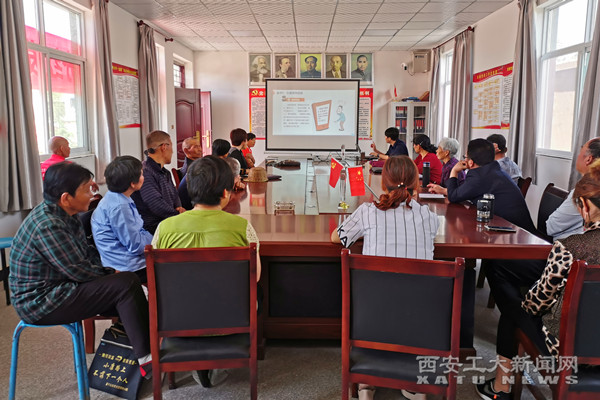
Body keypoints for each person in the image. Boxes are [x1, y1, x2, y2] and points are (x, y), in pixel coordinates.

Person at [9, 162, 152, 378]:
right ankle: (147, 359)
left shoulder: (66, 214)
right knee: (126, 284)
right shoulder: (48, 225)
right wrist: (111, 273)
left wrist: (109, 271)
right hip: (41, 303)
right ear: (66, 197)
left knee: (129, 289)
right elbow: (78, 270)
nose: (92, 194)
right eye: (87, 190)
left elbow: (86, 253)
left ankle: (145, 350)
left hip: (62, 286)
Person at [476, 159, 600, 400]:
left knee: (513, 308)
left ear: (584, 205)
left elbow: (536, 304)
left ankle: (501, 387)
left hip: (569, 347)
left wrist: (528, 296)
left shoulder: (570, 248)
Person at [331, 156, 439, 400]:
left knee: (376, 296)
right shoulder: (428, 216)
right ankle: (412, 381)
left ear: (383, 184)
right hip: (419, 315)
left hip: (372, 314)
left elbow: (337, 238)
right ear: (416, 184)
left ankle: (366, 382)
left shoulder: (368, 212)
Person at [153, 155, 262, 387]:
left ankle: (196, 361)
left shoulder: (165, 228)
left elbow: (157, 278)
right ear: (225, 192)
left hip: (177, 319)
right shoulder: (242, 227)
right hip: (232, 317)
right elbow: (255, 277)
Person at [428, 138, 536, 233]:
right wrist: (444, 191)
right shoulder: (492, 170)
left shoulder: (479, 176)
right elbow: (462, 192)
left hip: (516, 232)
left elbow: (453, 197)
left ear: (471, 162)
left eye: (465, 157)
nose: (464, 160)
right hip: (511, 227)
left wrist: (454, 171)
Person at [91, 156, 153, 282]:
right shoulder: (120, 206)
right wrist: (156, 241)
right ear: (132, 183)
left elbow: (139, 232)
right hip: (128, 267)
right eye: (141, 174)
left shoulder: (119, 197)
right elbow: (136, 246)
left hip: (129, 260)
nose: (143, 177)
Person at [546, 137, 600, 241]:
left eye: (580, 151)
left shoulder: (585, 192)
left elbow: (551, 227)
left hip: (571, 247)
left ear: (588, 159)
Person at [131, 130, 185, 234]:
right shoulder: (145, 172)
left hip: (168, 222)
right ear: (164, 147)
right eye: (171, 146)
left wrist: (179, 209)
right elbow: (154, 203)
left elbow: (175, 196)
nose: (173, 151)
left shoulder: (165, 173)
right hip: (153, 228)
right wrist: (178, 215)